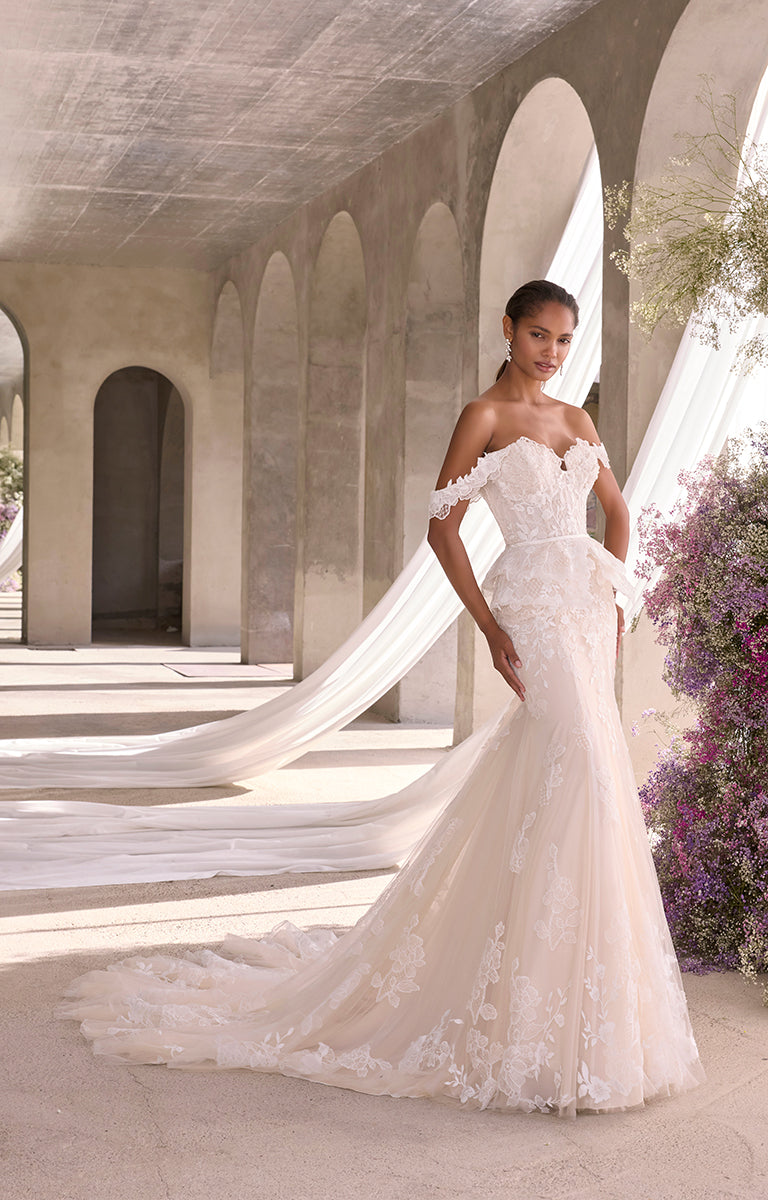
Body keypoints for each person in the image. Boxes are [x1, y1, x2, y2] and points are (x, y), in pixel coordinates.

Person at [58, 280, 704, 1116]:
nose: (550, 352)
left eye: (564, 340)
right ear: (508, 330)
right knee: (577, 757)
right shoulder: (483, 417)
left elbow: (616, 513)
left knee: (584, 772)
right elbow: (443, 526)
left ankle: (574, 1005)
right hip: (530, 613)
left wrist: (613, 599)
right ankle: (539, 1005)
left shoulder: (577, 421)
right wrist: (486, 623)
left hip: (578, 609)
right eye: (539, 334)